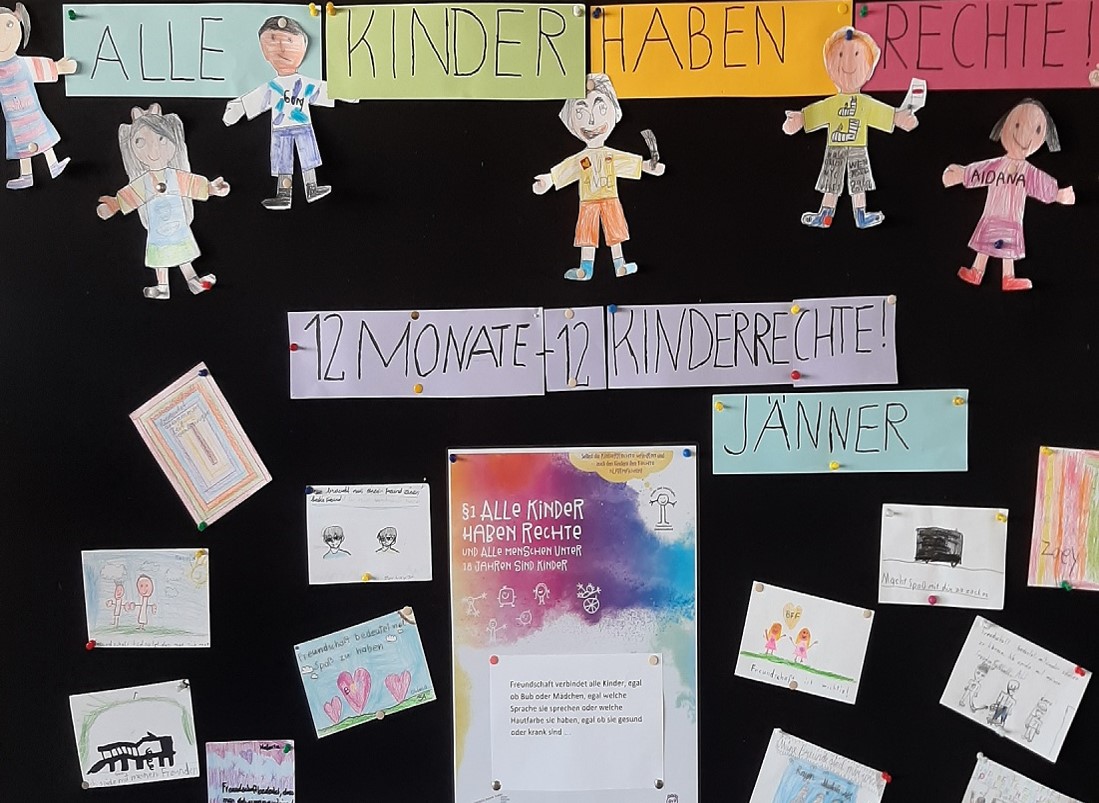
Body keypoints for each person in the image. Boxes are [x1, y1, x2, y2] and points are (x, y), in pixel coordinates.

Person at [532, 73, 665, 281]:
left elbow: (629, 163)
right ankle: (586, 268)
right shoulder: (581, 158)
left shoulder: (610, 154)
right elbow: (567, 169)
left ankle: (620, 264)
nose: (592, 120)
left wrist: (648, 166)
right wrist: (550, 179)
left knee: (615, 230)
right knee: (587, 233)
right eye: (581, 112)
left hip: (610, 198)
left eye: (601, 108)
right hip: (588, 202)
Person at [783, 27, 918, 229]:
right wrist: (800, 119)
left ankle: (860, 215)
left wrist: (898, 118)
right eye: (840, 56)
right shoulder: (832, 104)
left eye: (856, 55)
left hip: (857, 147)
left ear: (869, 69)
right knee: (831, 180)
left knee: (859, 180)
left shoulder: (864, 103)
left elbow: (881, 113)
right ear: (829, 67)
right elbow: (816, 112)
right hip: (835, 147)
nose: (848, 64)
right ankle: (825, 214)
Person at [97, 105, 229, 299]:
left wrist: (211, 188)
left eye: (161, 139)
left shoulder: (175, 176)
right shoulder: (143, 182)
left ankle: (193, 282)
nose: (154, 150)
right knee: (161, 258)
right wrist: (115, 205)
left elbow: (192, 185)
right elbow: (131, 195)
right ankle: (163, 287)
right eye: (141, 142)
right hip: (157, 231)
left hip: (178, 227)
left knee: (182, 255)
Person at [942, 99, 1074, 291]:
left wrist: (1058, 194)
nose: (1024, 135)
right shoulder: (997, 165)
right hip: (992, 215)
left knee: (1008, 245)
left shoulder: (1028, 172)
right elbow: (980, 171)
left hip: (1012, 219)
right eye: (1018, 125)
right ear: (1004, 126)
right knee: (986, 242)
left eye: (1036, 130)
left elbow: (1040, 184)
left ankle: (1008, 277)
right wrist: (962, 174)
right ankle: (976, 271)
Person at [223, 16, 334, 210]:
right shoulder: (272, 87)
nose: (282, 49)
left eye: (289, 41)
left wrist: (347, 93)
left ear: (303, 46)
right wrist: (238, 107)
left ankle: (311, 188)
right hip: (281, 129)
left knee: (308, 158)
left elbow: (324, 91)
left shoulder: (305, 83)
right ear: (265, 52)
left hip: (303, 126)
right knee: (283, 161)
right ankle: (284, 194)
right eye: (273, 41)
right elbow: (257, 99)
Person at [0, 3, 76, 189]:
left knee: (42, 136)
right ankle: (26, 176)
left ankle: (54, 165)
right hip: (15, 119)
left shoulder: (22, 64)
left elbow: (39, 68)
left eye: (9, 25)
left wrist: (58, 67)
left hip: (31, 112)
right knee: (22, 144)